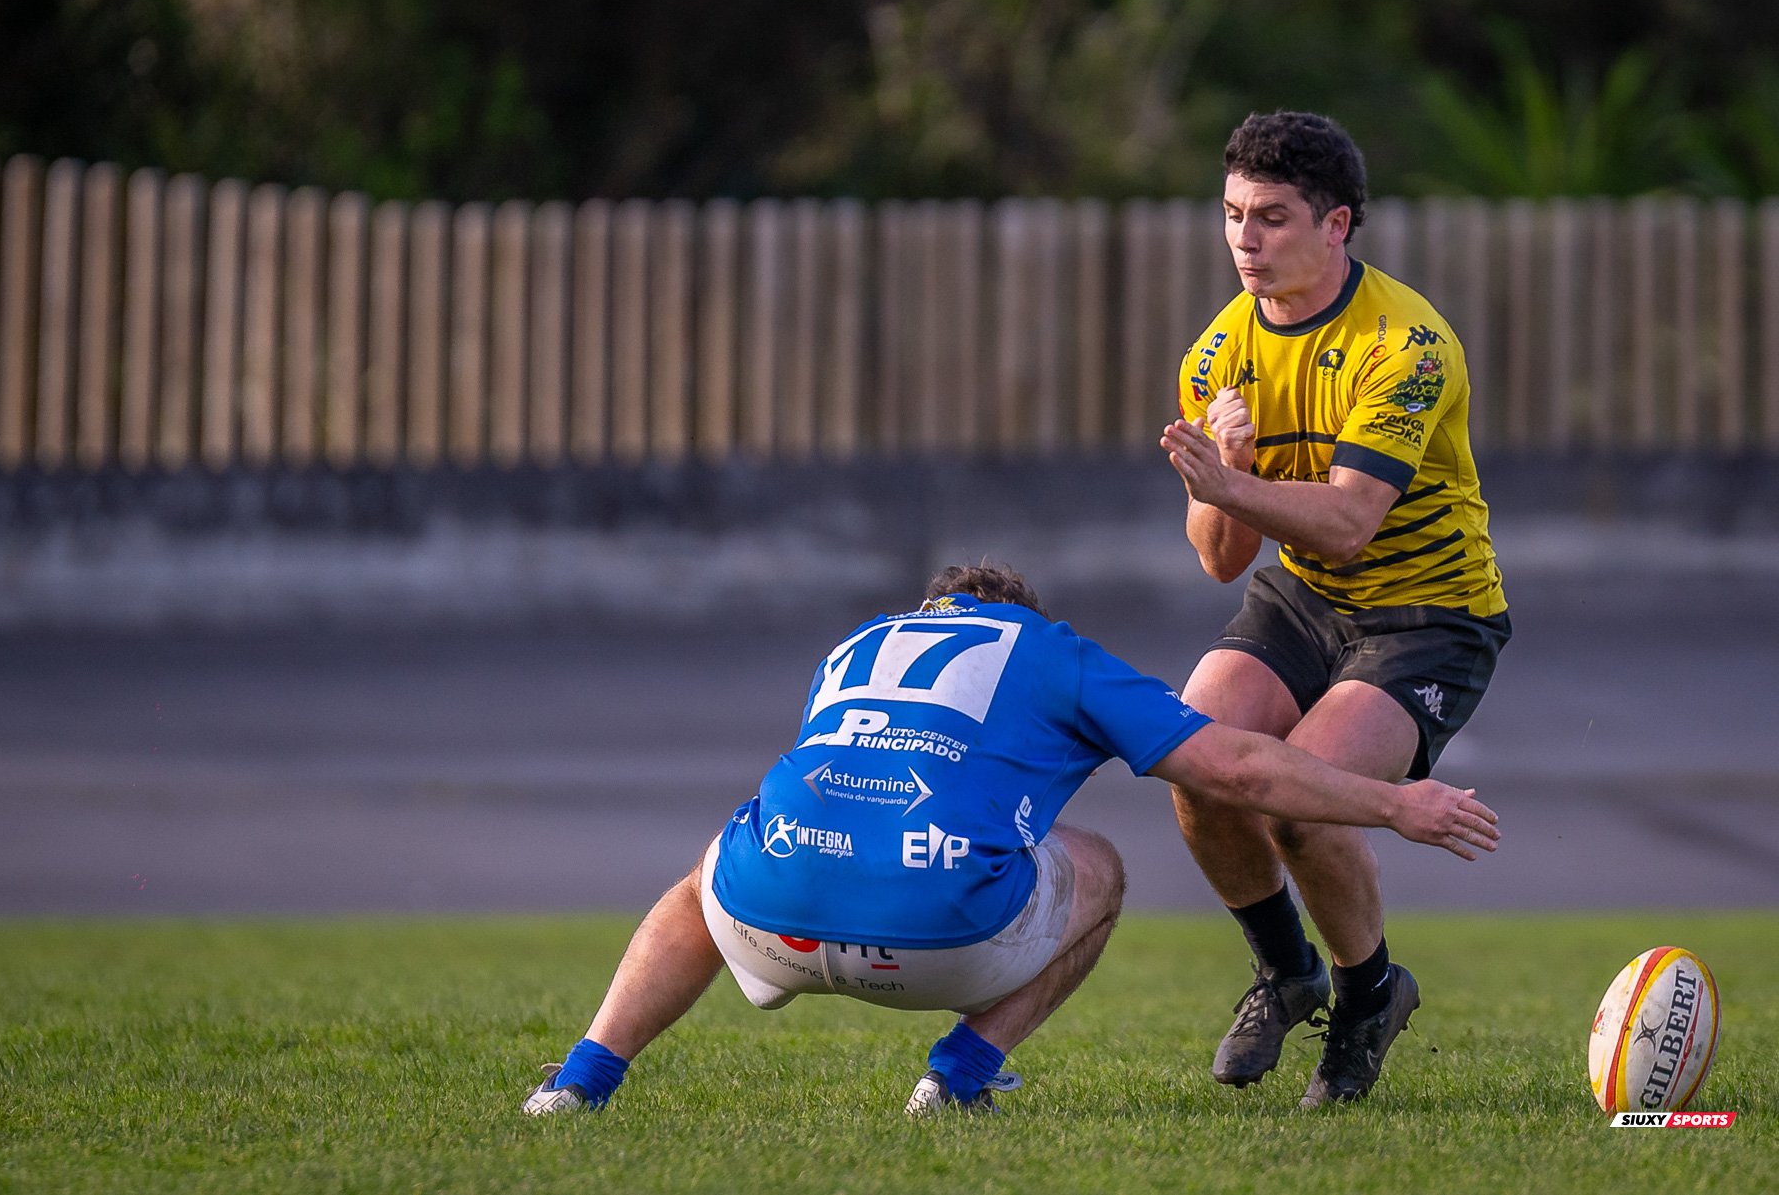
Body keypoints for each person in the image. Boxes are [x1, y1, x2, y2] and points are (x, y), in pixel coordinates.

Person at [522, 562, 1500, 1118]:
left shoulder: (857, 642)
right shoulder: (1052, 652)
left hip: (766, 925)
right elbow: (1238, 769)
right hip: (940, 940)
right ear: (1024, 614)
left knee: (708, 872)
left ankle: (580, 1083)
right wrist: (1395, 805)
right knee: (1100, 867)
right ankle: (956, 1078)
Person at [1158, 111, 1511, 1107]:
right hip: (1305, 599)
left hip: (1429, 612)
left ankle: (1366, 996)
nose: (1244, 240)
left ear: (1336, 225)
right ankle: (1287, 971)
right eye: (1232, 214)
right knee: (1199, 757)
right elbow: (1224, 562)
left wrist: (1231, 487)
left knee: (1299, 803)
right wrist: (1229, 470)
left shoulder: (1408, 346)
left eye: (1271, 217)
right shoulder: (1218, 356)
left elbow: (1351, 522)